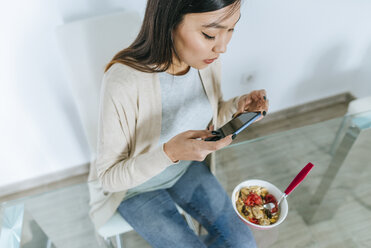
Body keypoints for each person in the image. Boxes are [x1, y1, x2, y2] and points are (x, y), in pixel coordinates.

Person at [88, 0, 269, 247]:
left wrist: (238, 107)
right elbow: (109, 177)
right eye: (210, 34)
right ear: (169, 23)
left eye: (231, 29)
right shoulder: (123, 82)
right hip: (136, 188)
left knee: (243, 243)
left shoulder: (206, 61)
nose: (223, 47)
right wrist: (169, 153)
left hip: (186, 169)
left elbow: (210, 116)